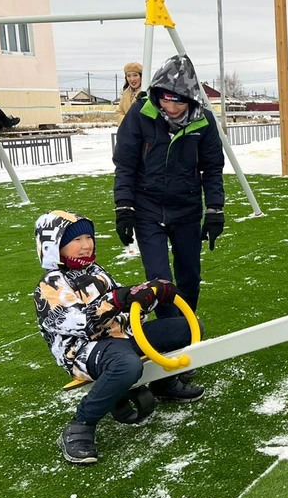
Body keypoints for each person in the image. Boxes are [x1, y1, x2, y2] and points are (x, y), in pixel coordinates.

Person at [34, 210, 205, 465]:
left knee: (190, 328)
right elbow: (82, 322)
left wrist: (151, 293)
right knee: (127, 365)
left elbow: (125, 305)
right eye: (76, 240)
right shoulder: (51, 285)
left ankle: (163, 384)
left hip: (122, 335)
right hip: (85, 350)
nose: (86, 245)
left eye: (88, 237)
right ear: (53, 247)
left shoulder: (96, 271)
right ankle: (81, 424)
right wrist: (118, 299)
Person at [113, 54, 225, 318]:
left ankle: (187, 324)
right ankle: (172, 330)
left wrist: (215, 210)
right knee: (159, 278)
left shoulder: (204, 122)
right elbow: (125, 163)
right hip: (147, 207)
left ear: (191, 99)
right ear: (157, 94)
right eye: (165, 99)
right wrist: (124, 206)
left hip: (186, 208)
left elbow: (212, 169)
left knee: (189, 274)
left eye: (179, 102)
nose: (171, 108)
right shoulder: (140, 115)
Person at [117, 62, 144, 126]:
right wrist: (127, 123)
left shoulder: (147, 93)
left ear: (141, 76)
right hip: (127, 132)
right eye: (128, 76)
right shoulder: (125, 94)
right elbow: (119, 113)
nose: (132, 79)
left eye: (135, 75)